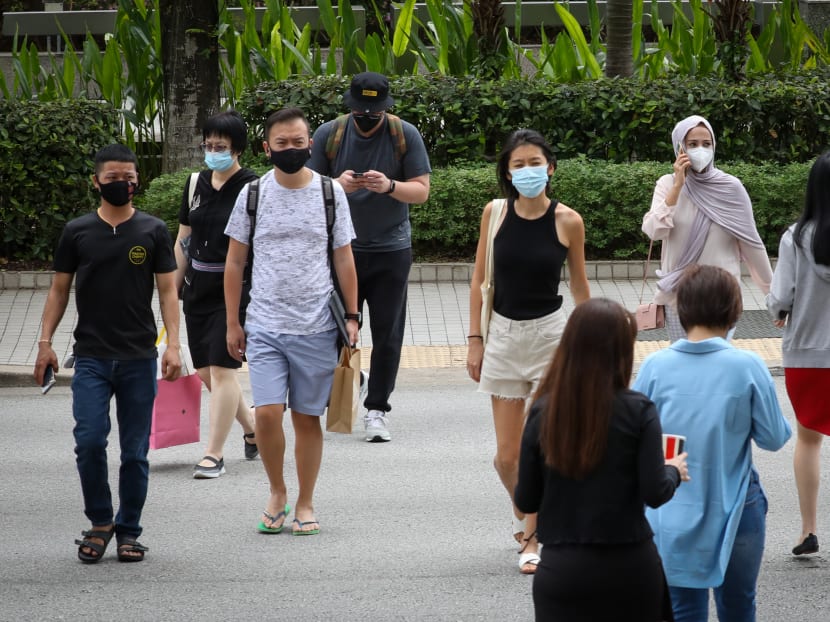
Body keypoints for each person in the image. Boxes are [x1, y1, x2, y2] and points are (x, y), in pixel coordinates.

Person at [33, 144, 182, 563]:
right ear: (96, 182)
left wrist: (173, 344)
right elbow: (59, 290)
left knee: (135, 452)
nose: (123, 184)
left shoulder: (153, 230)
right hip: (92, 357)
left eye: (129, 177)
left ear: (138, 181)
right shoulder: (77, 231)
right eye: (113, 178)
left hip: (138, 357)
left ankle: (129, 530)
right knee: (90, 441)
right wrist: (44, 343)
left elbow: (169, 291)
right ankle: (101, 522)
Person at [224, 107, 359, 535]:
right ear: (267, 148)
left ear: (310, 145)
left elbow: (343, 257)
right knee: (266, 414)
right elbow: (234, 261)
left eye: (298, 142)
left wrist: (352, 317)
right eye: (281, 143)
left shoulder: (329, 192)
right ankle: (277, 490)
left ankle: (305, 500)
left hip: (317, 324)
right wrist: (233, 322)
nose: (290, 149)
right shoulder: (253, 194)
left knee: (305, 418)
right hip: (264, 322)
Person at [633, 264, 791, 622]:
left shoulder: (654, 367)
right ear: (734, 311)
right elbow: (773, 438)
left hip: (669, 505)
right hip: (736, 505)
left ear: (681, 309)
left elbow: (632, 440)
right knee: (738, 607)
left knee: (682, 610)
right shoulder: (747, 365)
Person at [515, 298, 688, 621]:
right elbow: (655, 492)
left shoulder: (543, 411)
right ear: (622, 351)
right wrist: (673, 470)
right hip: (630, 566)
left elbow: (526, 497)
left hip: (563, 572)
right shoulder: (639, 410)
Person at [467, 128, 591, 574]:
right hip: (502, 336)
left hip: (551, 339)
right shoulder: (495, 213)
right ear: (506, 172)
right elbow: (479, 280)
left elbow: (578, 286)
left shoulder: (568, 220)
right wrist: (475, 341)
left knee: (542, 448)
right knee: (507, 456)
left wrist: (593, 339)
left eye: (534, 163)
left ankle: (533, 537)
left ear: (551, 167)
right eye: (517, 165)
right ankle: (530, 518)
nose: (527, 171)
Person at [308, 71, 431, 443]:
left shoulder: (403, 134)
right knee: (333, 331)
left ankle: (377, 409)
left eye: (373, 111)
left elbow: (422, 191)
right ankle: (350, 380)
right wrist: (336, 186)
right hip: (342, 249)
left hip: (391, 249)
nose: (366, 116)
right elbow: (308, 190)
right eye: (360, 109)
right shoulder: (330, 134)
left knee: (388, 332)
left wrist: (390, 186)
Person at [173, 111, 258, 479]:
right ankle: (254, 428)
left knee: (224, 370)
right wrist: (169, 290)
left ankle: (213, 454)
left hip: (236, 289)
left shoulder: (254, 187)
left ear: (237, 148)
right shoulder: (195, 183)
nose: (212, 152)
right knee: (208, 373)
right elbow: (183, 239)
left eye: (219, 146)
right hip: (197, 289)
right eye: (207, 145)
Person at [642, 114, 773, 341]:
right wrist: (677, 187)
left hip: (722, 296)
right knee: (685, 367)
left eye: (706, 144)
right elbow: (654, 230)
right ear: (679, 148)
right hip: (679, 297)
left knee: (717, 365)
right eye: (692, 144)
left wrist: (773, 295)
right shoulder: (666, 184)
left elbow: (752, 244)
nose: (700, 150)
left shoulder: (731, 188)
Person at [767, 152, 830, 557]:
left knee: (808, 439)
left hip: (807, 356)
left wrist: (780, 312)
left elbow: (780, 297)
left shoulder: (795, 236)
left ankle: (808, 529)